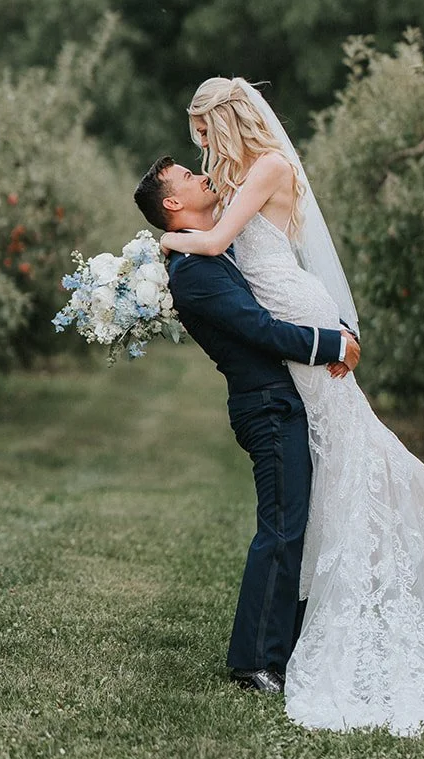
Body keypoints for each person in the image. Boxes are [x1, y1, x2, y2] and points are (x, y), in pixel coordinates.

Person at [153, 77, 424, 737]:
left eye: (201, 135)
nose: (199, 151)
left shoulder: (269, 167)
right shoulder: (238, 174)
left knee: (348, 440)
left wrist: (157, 251)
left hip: (293, 314)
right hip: (288, 320)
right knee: (349, 440)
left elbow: (213, 240)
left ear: (218, 123)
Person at [133, 154, 360, 694]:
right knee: (281, 529)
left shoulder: (217, 252)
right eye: (188, 176)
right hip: (266, 405)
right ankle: (255, 663)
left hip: (280, 397)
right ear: (173, 203)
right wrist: (329, 344)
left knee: (295, 527)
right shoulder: (194, 273)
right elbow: (258, 328)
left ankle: (286, 649)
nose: (200, 173)